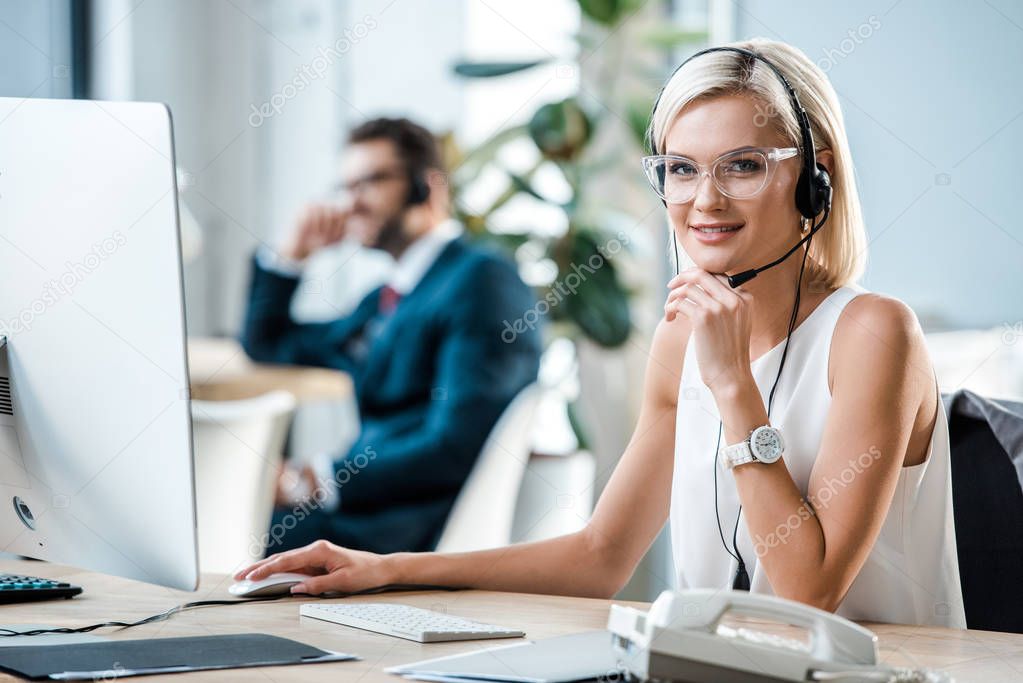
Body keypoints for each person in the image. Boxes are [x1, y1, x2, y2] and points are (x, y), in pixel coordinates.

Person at [236, 39, 966, 628]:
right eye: (679, 169)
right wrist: (383, 567)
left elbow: (808, 593)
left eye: (742, 166)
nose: (702, 199)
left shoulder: (873, 333)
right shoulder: (680, 339)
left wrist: (733, 388)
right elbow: (599, 554)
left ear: (815, 177)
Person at [241, 117, 542, 554]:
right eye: (346, 187)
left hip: (407, 528)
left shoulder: (482, 283)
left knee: (239, 532)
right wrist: (291, 255)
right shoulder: (386, 297)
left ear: (428, 188)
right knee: (232, 522)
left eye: (369, 183)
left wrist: (314, 479)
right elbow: (269, 345)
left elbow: (454, 447)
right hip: (363, 514)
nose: (351, 204)